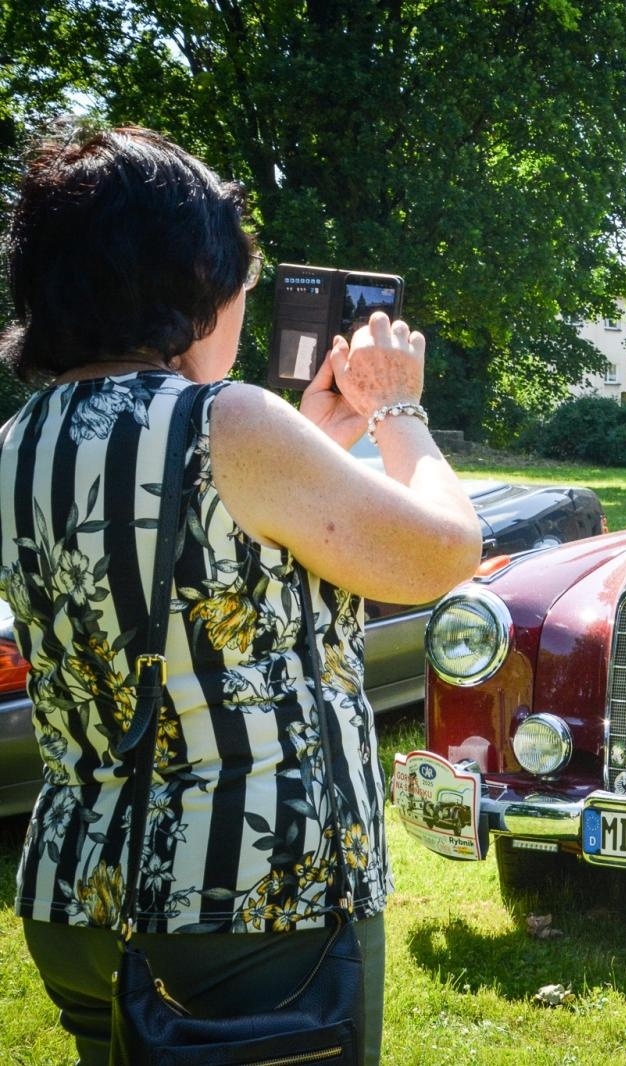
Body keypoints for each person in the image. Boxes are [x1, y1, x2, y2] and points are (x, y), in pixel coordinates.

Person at [0, 124, 481, 1063]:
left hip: (75, 893)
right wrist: (398, 410)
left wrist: (313, 442)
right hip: (256, 908)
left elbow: (169, 548)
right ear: (189, 284)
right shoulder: (225, 422)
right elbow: (443, 552)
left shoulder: (21, 439)